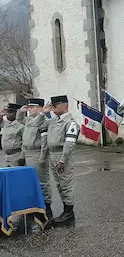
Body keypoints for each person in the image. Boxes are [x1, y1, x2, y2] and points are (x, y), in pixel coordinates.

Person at [44, 95, 79, 225]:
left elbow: (69, 143)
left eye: (55, 106)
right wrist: (43, 113)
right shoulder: (54, 121)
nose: (52, 108)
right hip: (53, 155)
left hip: (62, 156)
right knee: (59, 184)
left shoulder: (70, 123)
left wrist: (63, 160)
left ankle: (69, 212)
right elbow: (39, 124)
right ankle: (66, 210)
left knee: (66, 184)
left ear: (64, 105)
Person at [18, 98, 52, 218]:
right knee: (31, 182)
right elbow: (19, 120)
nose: (29, 109)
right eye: (29, 107)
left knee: (42, 182)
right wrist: (21, 111)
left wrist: (42, 158)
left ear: (40, 108)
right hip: (28, 154)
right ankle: (35, 207)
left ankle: (47, 207)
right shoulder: (29, 120)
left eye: (32, 107)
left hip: (37, 154)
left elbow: (45, 143)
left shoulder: (44, 121)